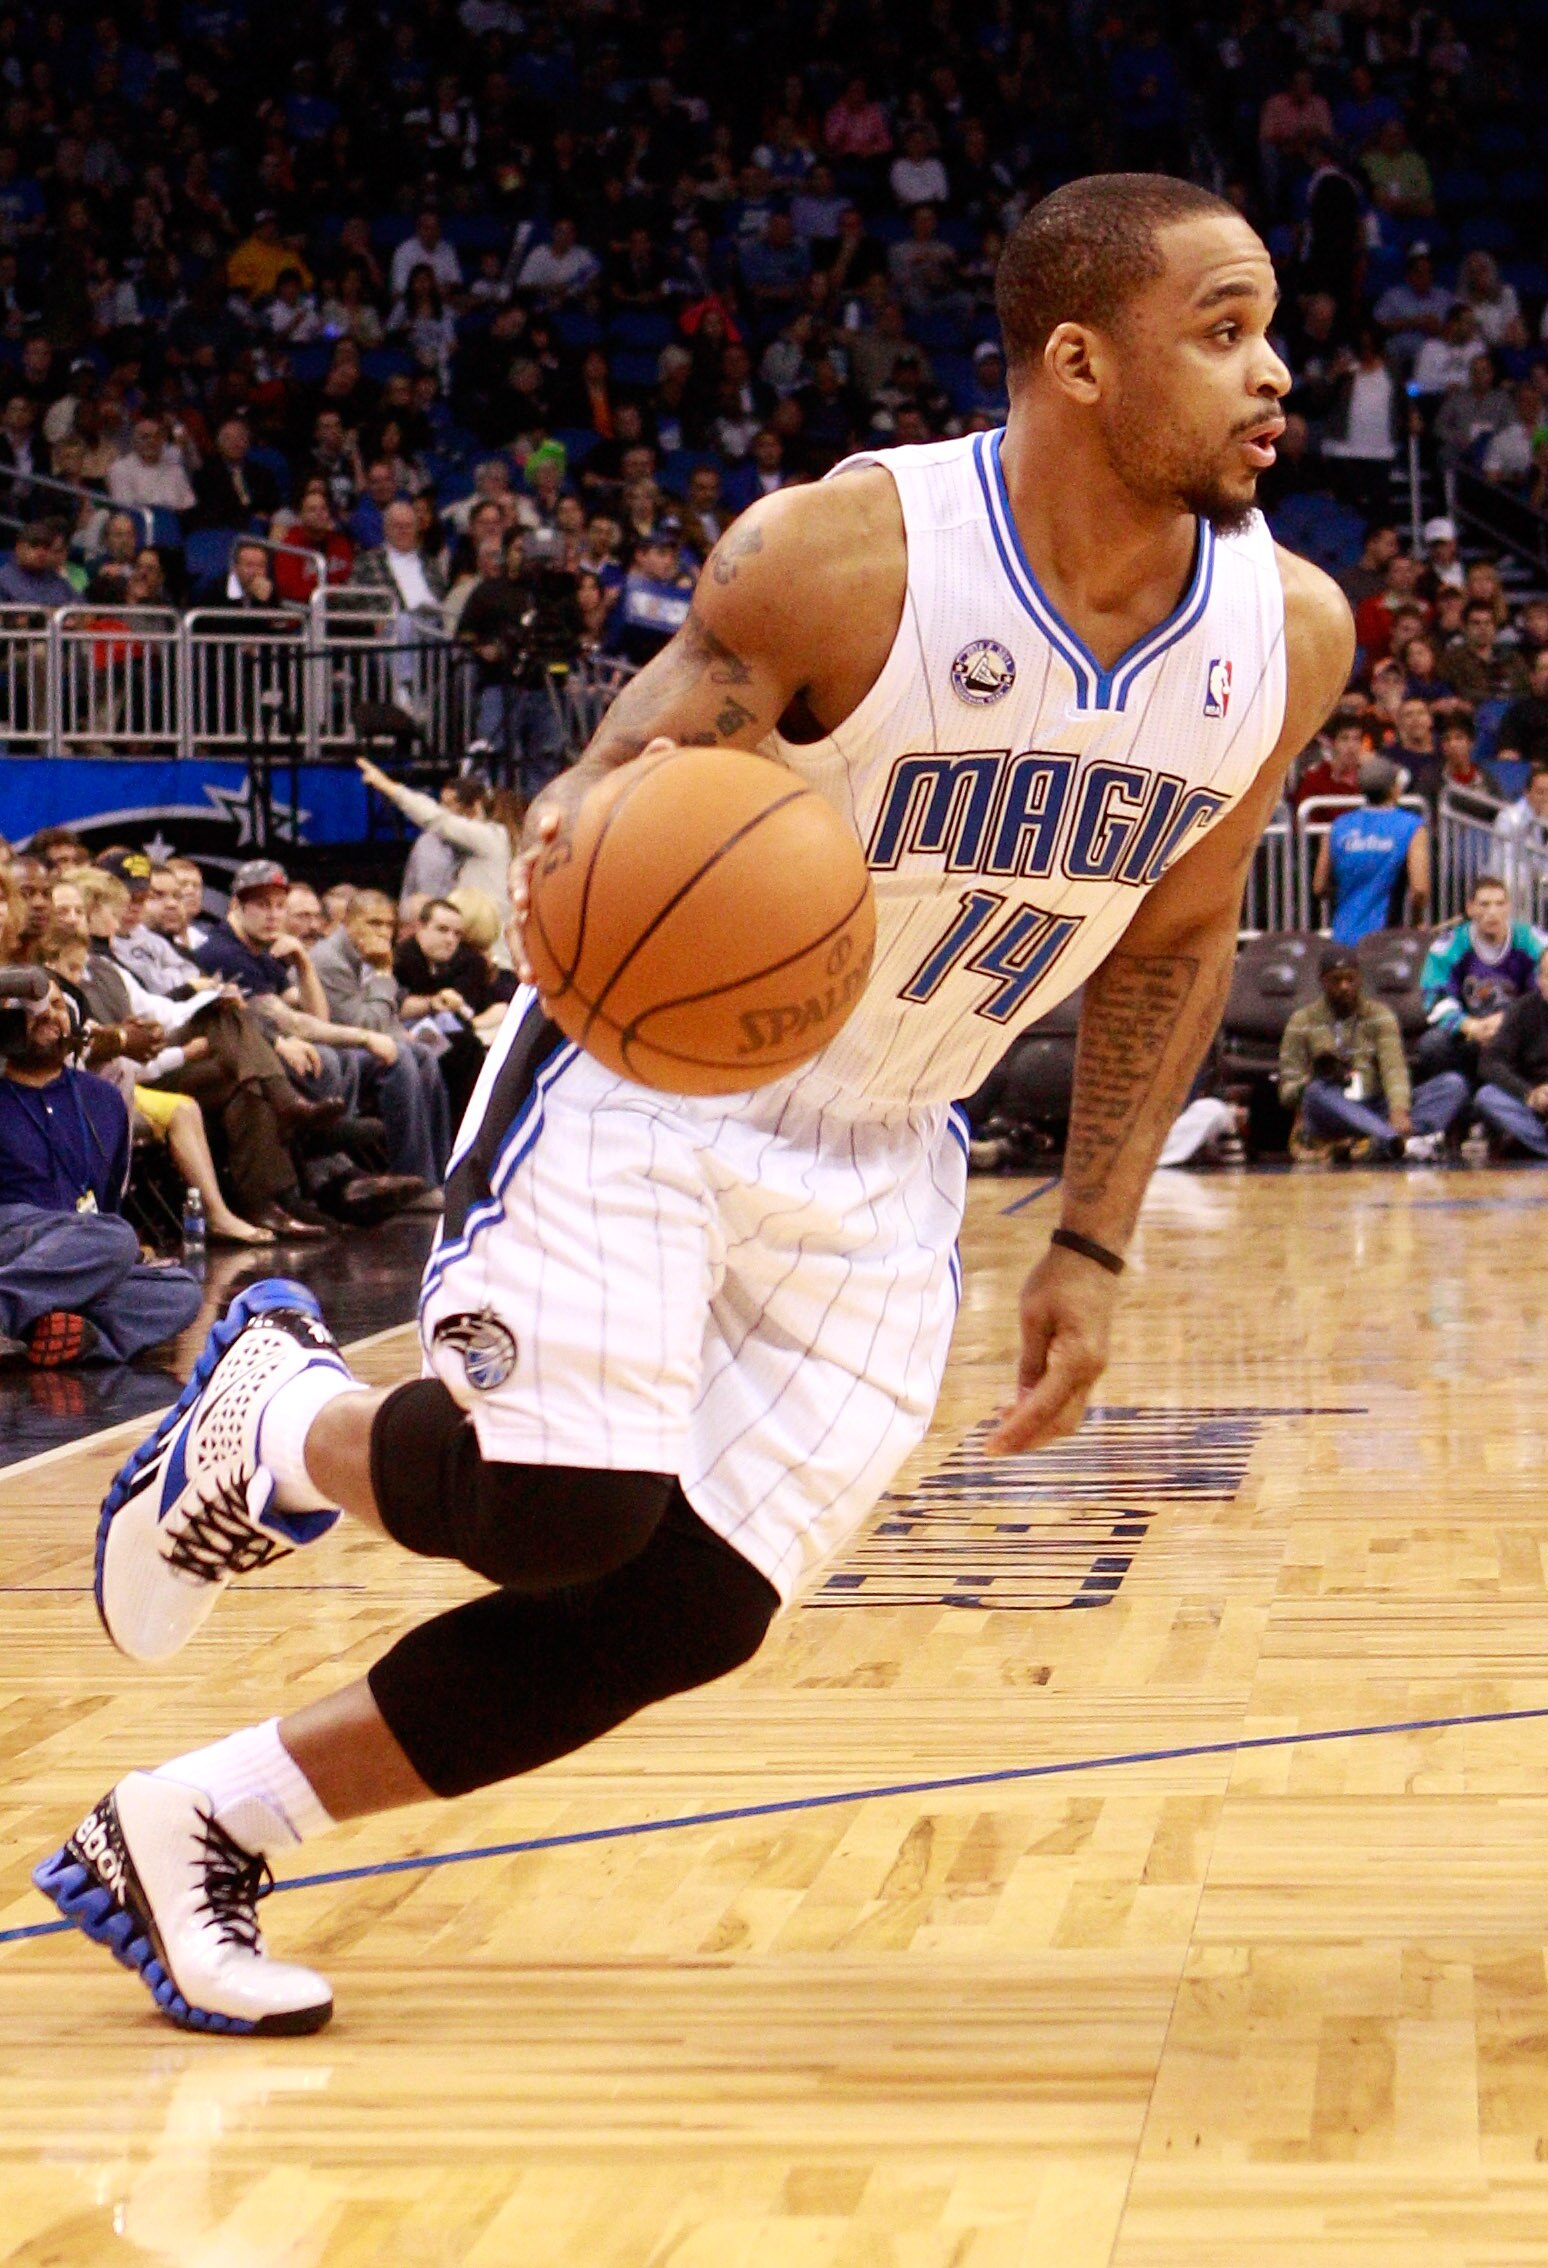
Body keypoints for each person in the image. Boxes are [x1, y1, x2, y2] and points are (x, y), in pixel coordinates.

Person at [44, 174, 1358, 2035]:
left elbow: (1181, 934)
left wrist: (1090, 1238)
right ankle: (280, 1417)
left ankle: (190, 1826)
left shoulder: (1285, 632)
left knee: (690, 1607)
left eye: (1268, 330)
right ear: (1077, 361)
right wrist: (624, 850)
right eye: (1222, 331)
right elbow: (596, 801)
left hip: (890, 1136)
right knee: (565, 1506)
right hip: (656, 1071)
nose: (1273, 371)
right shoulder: (845, 558)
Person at [0, 980, 203, 1366]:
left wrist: (110, 1253)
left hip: (79, 1254)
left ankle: (59, 1332)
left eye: (57, 1005)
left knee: (181, 1291)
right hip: (12, 1240)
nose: (48, 1014)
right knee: (114, 1237)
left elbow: (106, 1202)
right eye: (30, 1006)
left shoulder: (103, 1099)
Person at [1279, 945, 1469, 1162]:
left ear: (1360, 979)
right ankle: (1401, 1142)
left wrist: (1398, 1110)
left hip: (1376, 1105)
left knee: (1453, 1084)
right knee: (1315, 1093)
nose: (1344, 986)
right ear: (1322, 981)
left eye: (1350, 979)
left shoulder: (1380, 1015)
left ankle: (1382, 1140)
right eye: (1336, 980)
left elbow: (1394, 1069)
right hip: (1333, 1109)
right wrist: (1313, 1078)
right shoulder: (1301, 1021)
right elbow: (1286, 1093)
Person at [1417, 875, 1543, 1085]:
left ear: (1509, 907)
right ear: (1470, 908)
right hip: (1470, 1031)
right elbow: (1434, 995)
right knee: (1432, 1044)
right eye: (1484, 904)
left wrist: (1509, 1021)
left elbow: (1542, 992)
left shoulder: (1532, 941)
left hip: (1519, 1033)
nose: (1492, 912)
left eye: (1499, 904)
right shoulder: (1449, 945)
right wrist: (1469, 1026)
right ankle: (1460, 1094)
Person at [1314, 757, 1429, 943]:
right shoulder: (1411, 826)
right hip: (1387, 940)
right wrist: (1417, 921)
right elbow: (1420, 890)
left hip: (1342, 936)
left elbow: (1319, 886)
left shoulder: (1339, 826)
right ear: (1394, 789)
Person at [1473, 952, 1548, 1159]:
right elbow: (1490, 1062)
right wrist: (1530, 1094)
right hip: (1534, 1101)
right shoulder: (1523, 1010)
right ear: (1540, 981)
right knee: (1487, 1096)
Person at [1491, 765, 1548, 915]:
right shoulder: (1510, 817)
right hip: (1513, 877)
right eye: (1540, 793)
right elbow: (1507, 860)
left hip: (1541, 880)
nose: (1546, 798)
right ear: (1527, 794)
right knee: (1514, 882)